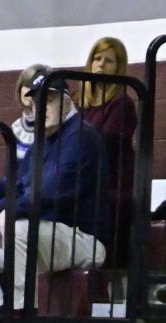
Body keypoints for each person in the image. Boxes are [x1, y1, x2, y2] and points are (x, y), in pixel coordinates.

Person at [0, 74, 109, 312]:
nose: (39, 109)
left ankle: (25, 320)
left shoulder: (82, 135)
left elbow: (51, 191)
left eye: (49, 101)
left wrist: (11, 212)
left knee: (19, 230)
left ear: (66, 102)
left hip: (84, 239)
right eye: (34, 104)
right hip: (39, 239)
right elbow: (17, 191)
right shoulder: (40, 142)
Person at [80, 37, 136, 265]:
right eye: (97, 58)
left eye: (109, 60)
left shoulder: (122, 103)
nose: (101, 64)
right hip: (84, 187)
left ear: (118, 67)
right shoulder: (79, 103)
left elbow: (106, 148)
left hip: (110, 190)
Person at [11, 64, 50, 164]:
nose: (29, 90)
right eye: (27, 85)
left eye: (33, 86)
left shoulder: (53, 125)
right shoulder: (16, 127)